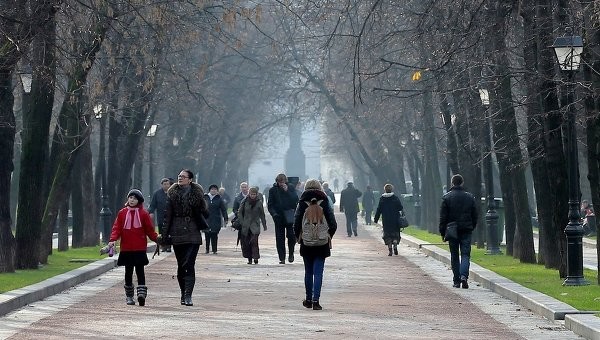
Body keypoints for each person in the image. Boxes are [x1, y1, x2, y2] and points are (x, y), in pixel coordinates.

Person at [163, 169, 209, 306]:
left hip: (193, 231)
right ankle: (183, 293)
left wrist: (199, 202)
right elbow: (167, 216)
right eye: (179, 176)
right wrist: (164, 236)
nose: (180, 178)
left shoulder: (197, 194)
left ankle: (188, 295)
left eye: (183, 176)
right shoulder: (172, 194)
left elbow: (205, 214)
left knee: (189, 263)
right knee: (181, 265)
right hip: (177, 232)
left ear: (190, 180)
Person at [108, 189, 158, 306]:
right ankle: (129, 296)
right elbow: (117, 228)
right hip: (126, 248)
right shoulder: (122, 213)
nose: (132, 200)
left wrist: (158, 239)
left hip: (139, 247)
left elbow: (150, 230)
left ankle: (141, 294)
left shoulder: (143, 214)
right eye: (130, 197)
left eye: (135, 198)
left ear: (139, 201)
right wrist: (113, 240)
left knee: (140, 270)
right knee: (128, 271)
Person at [293, 179, 337, 311]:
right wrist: (328, 236)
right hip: (322, 242)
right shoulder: (324, 201)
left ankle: (308, 299)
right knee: (318, 272)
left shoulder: (302, 202)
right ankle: (316, 300)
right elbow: (333, 223)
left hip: (306, 242)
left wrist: (299, 237)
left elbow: (296, 222)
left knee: (308, 271)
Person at [438, 174, 478, 289]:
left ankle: (456, 280)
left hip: (452, 230)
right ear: (462, 183)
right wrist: (472, 226)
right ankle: (464, 276)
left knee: (454, 255)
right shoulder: (470, 197)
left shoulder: (446, 198)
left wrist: (442, 232)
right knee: (465, 254)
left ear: (452, 183)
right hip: (466, 229)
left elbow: (443, 217)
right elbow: (475, 215)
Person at [268, 173, 299, 264]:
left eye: (283, 181)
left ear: (286, 181)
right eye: (280, 182)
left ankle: (291, 254)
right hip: (279, 217)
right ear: (277, 181)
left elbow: (295, 200)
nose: (282, 183)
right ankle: (282, 257)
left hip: (289, 215)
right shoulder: (273, 190)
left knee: (291, 236)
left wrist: (287, 191)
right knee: (280, 238)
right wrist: (274, 214)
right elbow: (270, 204)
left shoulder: (291, 188)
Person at [237, 187, 268, 264]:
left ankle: (256, 257)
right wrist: (242, 222)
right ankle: (249, 258)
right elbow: (239, 212)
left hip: (255, 225)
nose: (253, 196)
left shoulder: (259, 202)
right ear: (249, 194)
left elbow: (262, 214)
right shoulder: (244, 201)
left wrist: (264, 225)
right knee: (246, 243)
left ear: (256, 194)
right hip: (246, 225)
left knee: (254, 241)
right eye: (251, 194)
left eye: (254, 194)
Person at [373, 184, 404, 256]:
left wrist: (376, 219)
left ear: (385, 190)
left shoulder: (382, 199)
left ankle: (390, 249)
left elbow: (379, 209)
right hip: (395, 219)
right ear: (391, 189)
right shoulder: (395, 198)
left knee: (387, 234)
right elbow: (400, 207)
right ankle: (395, 243)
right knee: (395, 233)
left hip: (386, 219)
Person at [148, 177, 174, 252]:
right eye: (164, 184)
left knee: (169, 232)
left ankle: (169, 246)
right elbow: (153, 205)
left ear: (170, 185)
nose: (166, 186)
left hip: (170, 216)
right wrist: (151, 212)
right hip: (161, 216)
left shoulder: (172, 193)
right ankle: (163, 246)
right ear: (161, 185)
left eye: (167, 184)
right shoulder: (157, 194)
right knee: (162, 232)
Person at [204, 184, 228, 254]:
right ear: (209, 190)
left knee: (214, 234)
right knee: (207, 234)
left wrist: (225, 218)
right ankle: (207, 249)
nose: (213, 191)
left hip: (216, 219)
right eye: (212, 189)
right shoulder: (205, 198)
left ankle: (214, 249)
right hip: (206, 218)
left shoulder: (219, 199)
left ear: (217, 191)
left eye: (215, 189)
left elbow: (223, 209)